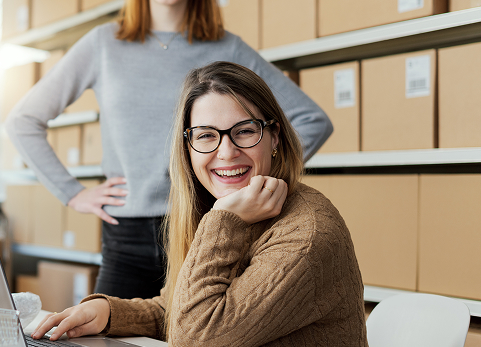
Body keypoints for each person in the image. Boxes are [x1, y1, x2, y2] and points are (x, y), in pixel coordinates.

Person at [4, 0, 333, 299]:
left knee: (198, 337)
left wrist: (254, 180)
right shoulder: (103, 44)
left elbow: (312, 119)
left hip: (204, 225)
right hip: (124, 238)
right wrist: (73, 192)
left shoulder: (228, 48)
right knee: (102, 334)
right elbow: (23, 120)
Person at [30, 62, 367, 346]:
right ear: (188, 147)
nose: (226, 152)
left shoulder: (305, 236)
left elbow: (196, 336)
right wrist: (108, 314)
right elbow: (181, 307)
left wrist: (223, 220)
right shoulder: (228, 208)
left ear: (274, 135)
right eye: (207, 135)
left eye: (245, 131)